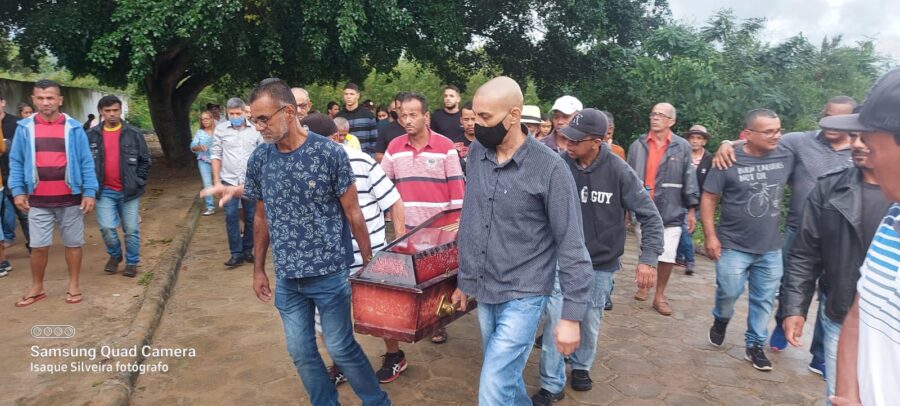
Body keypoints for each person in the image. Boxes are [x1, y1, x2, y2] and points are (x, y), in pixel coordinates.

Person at [241, 78, 391, 406]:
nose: (259, 127)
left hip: (329, 275)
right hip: (288, 278)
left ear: (289, 112)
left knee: (340, 347)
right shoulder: (260, 159)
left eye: (263, 119)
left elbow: (353, 213)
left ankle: (376, 401)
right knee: (300, 351)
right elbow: (261, 218)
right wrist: (258, 269)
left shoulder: (329, 153)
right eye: (254, 120)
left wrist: (369, 263)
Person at [451, 76, 593, 405]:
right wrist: (464, 279)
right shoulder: (477, 153)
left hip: (525, 292)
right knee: (506, 376)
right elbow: (472, 218)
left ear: (514, 115)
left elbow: (572, 243)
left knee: (493, 384)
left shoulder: (550, 169)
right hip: (486, 288)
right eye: (474, 116)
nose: (475, 125)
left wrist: (571, 317)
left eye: (485, 117)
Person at [714, 96, 857, 374]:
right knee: (790, 284)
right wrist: (726, 143)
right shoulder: (799, 141)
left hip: (841, 237)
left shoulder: (860, 149)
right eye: (827, 116)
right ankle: (781, 323)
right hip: (798, 230)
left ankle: (820, 354)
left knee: (834, 294)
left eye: (840, 119)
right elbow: (758, 139)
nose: (831, 123)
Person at [533, 108, 664, 405]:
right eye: (567, 138)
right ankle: (552, 384)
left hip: (600, 263)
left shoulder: (619, 171)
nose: (568, 144)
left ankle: (581, 365)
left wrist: (648, 259)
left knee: (589, 319)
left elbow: (650, 216)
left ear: (596, 141)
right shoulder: (558, 165)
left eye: (575, 140)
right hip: (562, 259)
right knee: (557, 319)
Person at [780, 128, 889, 404]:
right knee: (840, 397)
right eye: (854, 137)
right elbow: (805, 253)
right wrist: (794, 308)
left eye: (867, 138)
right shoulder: (830, 187)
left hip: (891, 325)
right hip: (840, 312)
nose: (858, 144)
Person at [813, 68, 900, 406]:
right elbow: (860, 311)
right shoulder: (893, 218)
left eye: (873, 148)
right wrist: (848, 391)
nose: (868, 160)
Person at [302, 112, 407, 386]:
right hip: (328, 260)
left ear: (335, 139)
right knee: (326, 316)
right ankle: (340, 363)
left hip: (370, 256)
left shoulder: (361, 161)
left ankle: (394, 355)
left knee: (381, 310)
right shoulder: (302, 166)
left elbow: (394, 200)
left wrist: (399, 241)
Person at [377, 92, 466, 380]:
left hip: (439, 230)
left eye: (413, 115)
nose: (407, 120)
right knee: (410, 278)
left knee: (436, 279)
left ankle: (436, 322)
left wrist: (454, 231)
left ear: (426, 117)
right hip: (406, 229)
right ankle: (412, 323)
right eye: (402, 115)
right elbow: (382, 184)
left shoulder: (445, 147)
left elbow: (458, 193)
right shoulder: (394, 147)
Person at [702, 108, 794, 371]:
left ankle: (755, 346)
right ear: (748, 134)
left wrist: (727, 141)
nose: (776, 136)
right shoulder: (728, 159)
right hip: (733, 245)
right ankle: (721, 319)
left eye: (779, 130)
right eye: (769, 131)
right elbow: (709, 197)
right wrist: (710, 236)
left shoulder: (787, 154)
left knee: (764, 299)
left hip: (770, 246)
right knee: (729, 292)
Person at [10, 79, 99, 307]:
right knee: (38, 246)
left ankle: (73, 285)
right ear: (34, 100)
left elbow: (86, 161)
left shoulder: (74, 128)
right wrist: (18, 191)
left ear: (60, 100)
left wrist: (89, 192)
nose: (45, 102)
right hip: (38, 200)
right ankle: (37, 287)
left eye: (50, 98)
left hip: (70, 198)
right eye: (40, 98)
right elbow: (16, 161)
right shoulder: (24, 128)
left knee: (73, 243)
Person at [627, 103, 699, 316]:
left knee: (667, 255)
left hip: (672, 209)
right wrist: (625, 209)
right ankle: (644, 283)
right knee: (645, 249)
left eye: (660, 115)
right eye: (653, 114)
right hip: (643, 208)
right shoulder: (638, 145)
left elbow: (689, 178)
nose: (655, 117)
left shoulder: (682, 146)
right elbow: (627, 178)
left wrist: (691, 209)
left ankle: (659, 295)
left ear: (671, 121)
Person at [86, 95, 151, 277]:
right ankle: (115, 255)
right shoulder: (91, 135)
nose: (112, 114)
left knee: (131, 229)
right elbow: (86, 162)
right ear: (101, 112)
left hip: (129, 191)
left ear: (120, 110)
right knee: (107, 228)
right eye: (108, 111)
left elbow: (145, 160)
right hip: (104, 191)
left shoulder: (133, 133)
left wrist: (138, 180)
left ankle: (132, 262)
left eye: (115, 110)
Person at [211, 97, 261, 267]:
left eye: (238, 113)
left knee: (251, 217)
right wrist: (217, 181)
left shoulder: (255, 130)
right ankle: (236, 253)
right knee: (231, 216)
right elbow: (216, 155)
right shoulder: (221, 130)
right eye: (231, 114)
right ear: (227, 113)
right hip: (228, 180)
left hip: (250, 181)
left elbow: (262, 155)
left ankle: (248, 249)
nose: (235, 116)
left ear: (244, 112)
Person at [675, 124, 713, 275]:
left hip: (700, 201)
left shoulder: (709, 159)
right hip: (680, 198)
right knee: (681, 228)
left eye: (699, 138)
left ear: (704, 141)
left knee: (687, 229)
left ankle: (689, 260)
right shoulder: (681, 154)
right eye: (692, 137)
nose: (695, 141)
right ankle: (680, 257)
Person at [1, 93, 28, 252]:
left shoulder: (17, 124)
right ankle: (6, 240)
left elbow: (23, 151)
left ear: (3, 102)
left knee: (23, 212)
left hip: (14, 175)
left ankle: (33, 245)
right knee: (4, 213)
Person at [336, 83, 377, 155]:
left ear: (358, 95)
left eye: (351, 94)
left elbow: (374, 141)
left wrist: (369, 157)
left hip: (365, 157)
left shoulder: (368, 116)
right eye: (346, 94)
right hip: (344, 157)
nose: (348, 96)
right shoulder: (338, 117)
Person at [191, 111, 217, 215]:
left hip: (219, 160)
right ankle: (210, 206)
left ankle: (228, 204)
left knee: (223, 181)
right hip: (204, 160)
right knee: (207, 183)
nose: (205, 121)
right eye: (202, 119)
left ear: (212, 119)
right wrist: (199, 147)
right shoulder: (199, 133)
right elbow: (193, 146)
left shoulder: (219, 131)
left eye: (207, 119)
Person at [374, 92, 408, 163]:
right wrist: (396, 159)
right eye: (398, 108)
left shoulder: (420, 129)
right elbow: (378, 156)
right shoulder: (386, 129)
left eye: (405, 108)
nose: (402, 111)